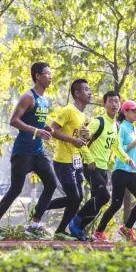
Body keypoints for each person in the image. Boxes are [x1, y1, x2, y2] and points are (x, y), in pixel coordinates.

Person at [0, 62, 57, 239]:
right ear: (37, 76)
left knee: (51, 183)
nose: (50, 76)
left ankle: (34, 225)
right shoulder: (28, 97)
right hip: (23, 151)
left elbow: (37, 121)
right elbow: (14, 120)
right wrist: (35, 131)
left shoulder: (45, 100)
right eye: (47, 73)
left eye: (50, 73)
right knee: (15, 189)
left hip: (38, 152)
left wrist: (46, 128)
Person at [66, 91, 135, 240]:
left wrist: (127, 159)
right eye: (111, 101)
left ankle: (79, 230)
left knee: (98, 200)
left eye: (117, 101)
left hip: (103, 168)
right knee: (104, 196)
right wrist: (89, 159)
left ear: (120, 105)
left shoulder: (116, 125)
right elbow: (81, 142)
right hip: (91, 166)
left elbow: (116, 147)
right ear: (104, 104)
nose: (114, 104)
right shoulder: (98, 122)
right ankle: (76, 222)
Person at [94, 100, 136, 242]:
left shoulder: (133, 128)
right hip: (120, 171)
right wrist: (135, 143)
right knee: (116, 204)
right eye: (134, 110)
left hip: (131, 172)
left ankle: (127, 227)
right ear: (125, 112)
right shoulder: (121, 127)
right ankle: (99, 231)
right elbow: (118, 150)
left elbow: (129, 148)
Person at [47, 79, 94, 240]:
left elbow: (79, 138)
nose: (90, 92)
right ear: (77, 93)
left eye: (90, 89)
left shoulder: (83, 115)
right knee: (74, 197)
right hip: (62, 161)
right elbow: (53, 130)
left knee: (78, 198)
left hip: (76, 160)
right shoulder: (68, 110)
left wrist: (85, 137)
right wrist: (73, 140)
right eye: (86, 90)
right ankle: (41, 208)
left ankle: (60, 231)